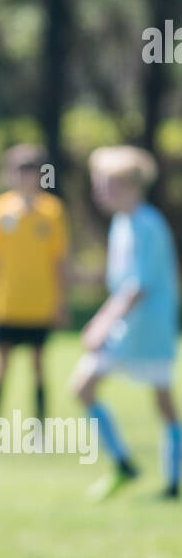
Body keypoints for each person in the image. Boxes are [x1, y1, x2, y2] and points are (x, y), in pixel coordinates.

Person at [70, 145, 180, 501]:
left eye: (106, 184)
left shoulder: (148, 224)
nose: (99, 192)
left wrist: (102, 322)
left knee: (163, 402)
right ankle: (123, 463)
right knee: (83, 386)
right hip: (128, 323)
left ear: (129, 185)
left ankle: (173, 480)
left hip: (148, 326)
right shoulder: (123, 223)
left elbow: (139, 286)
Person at [0, 143, 70, 447]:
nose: (25, 178)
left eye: (31, 171)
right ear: (10, 174)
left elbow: (59, 262)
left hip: (39, 304)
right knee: (0, 367)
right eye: (19, 171)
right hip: (7, 303)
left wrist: (61, 303)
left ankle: (40, 434)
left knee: (39, 367)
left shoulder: (53, 212)